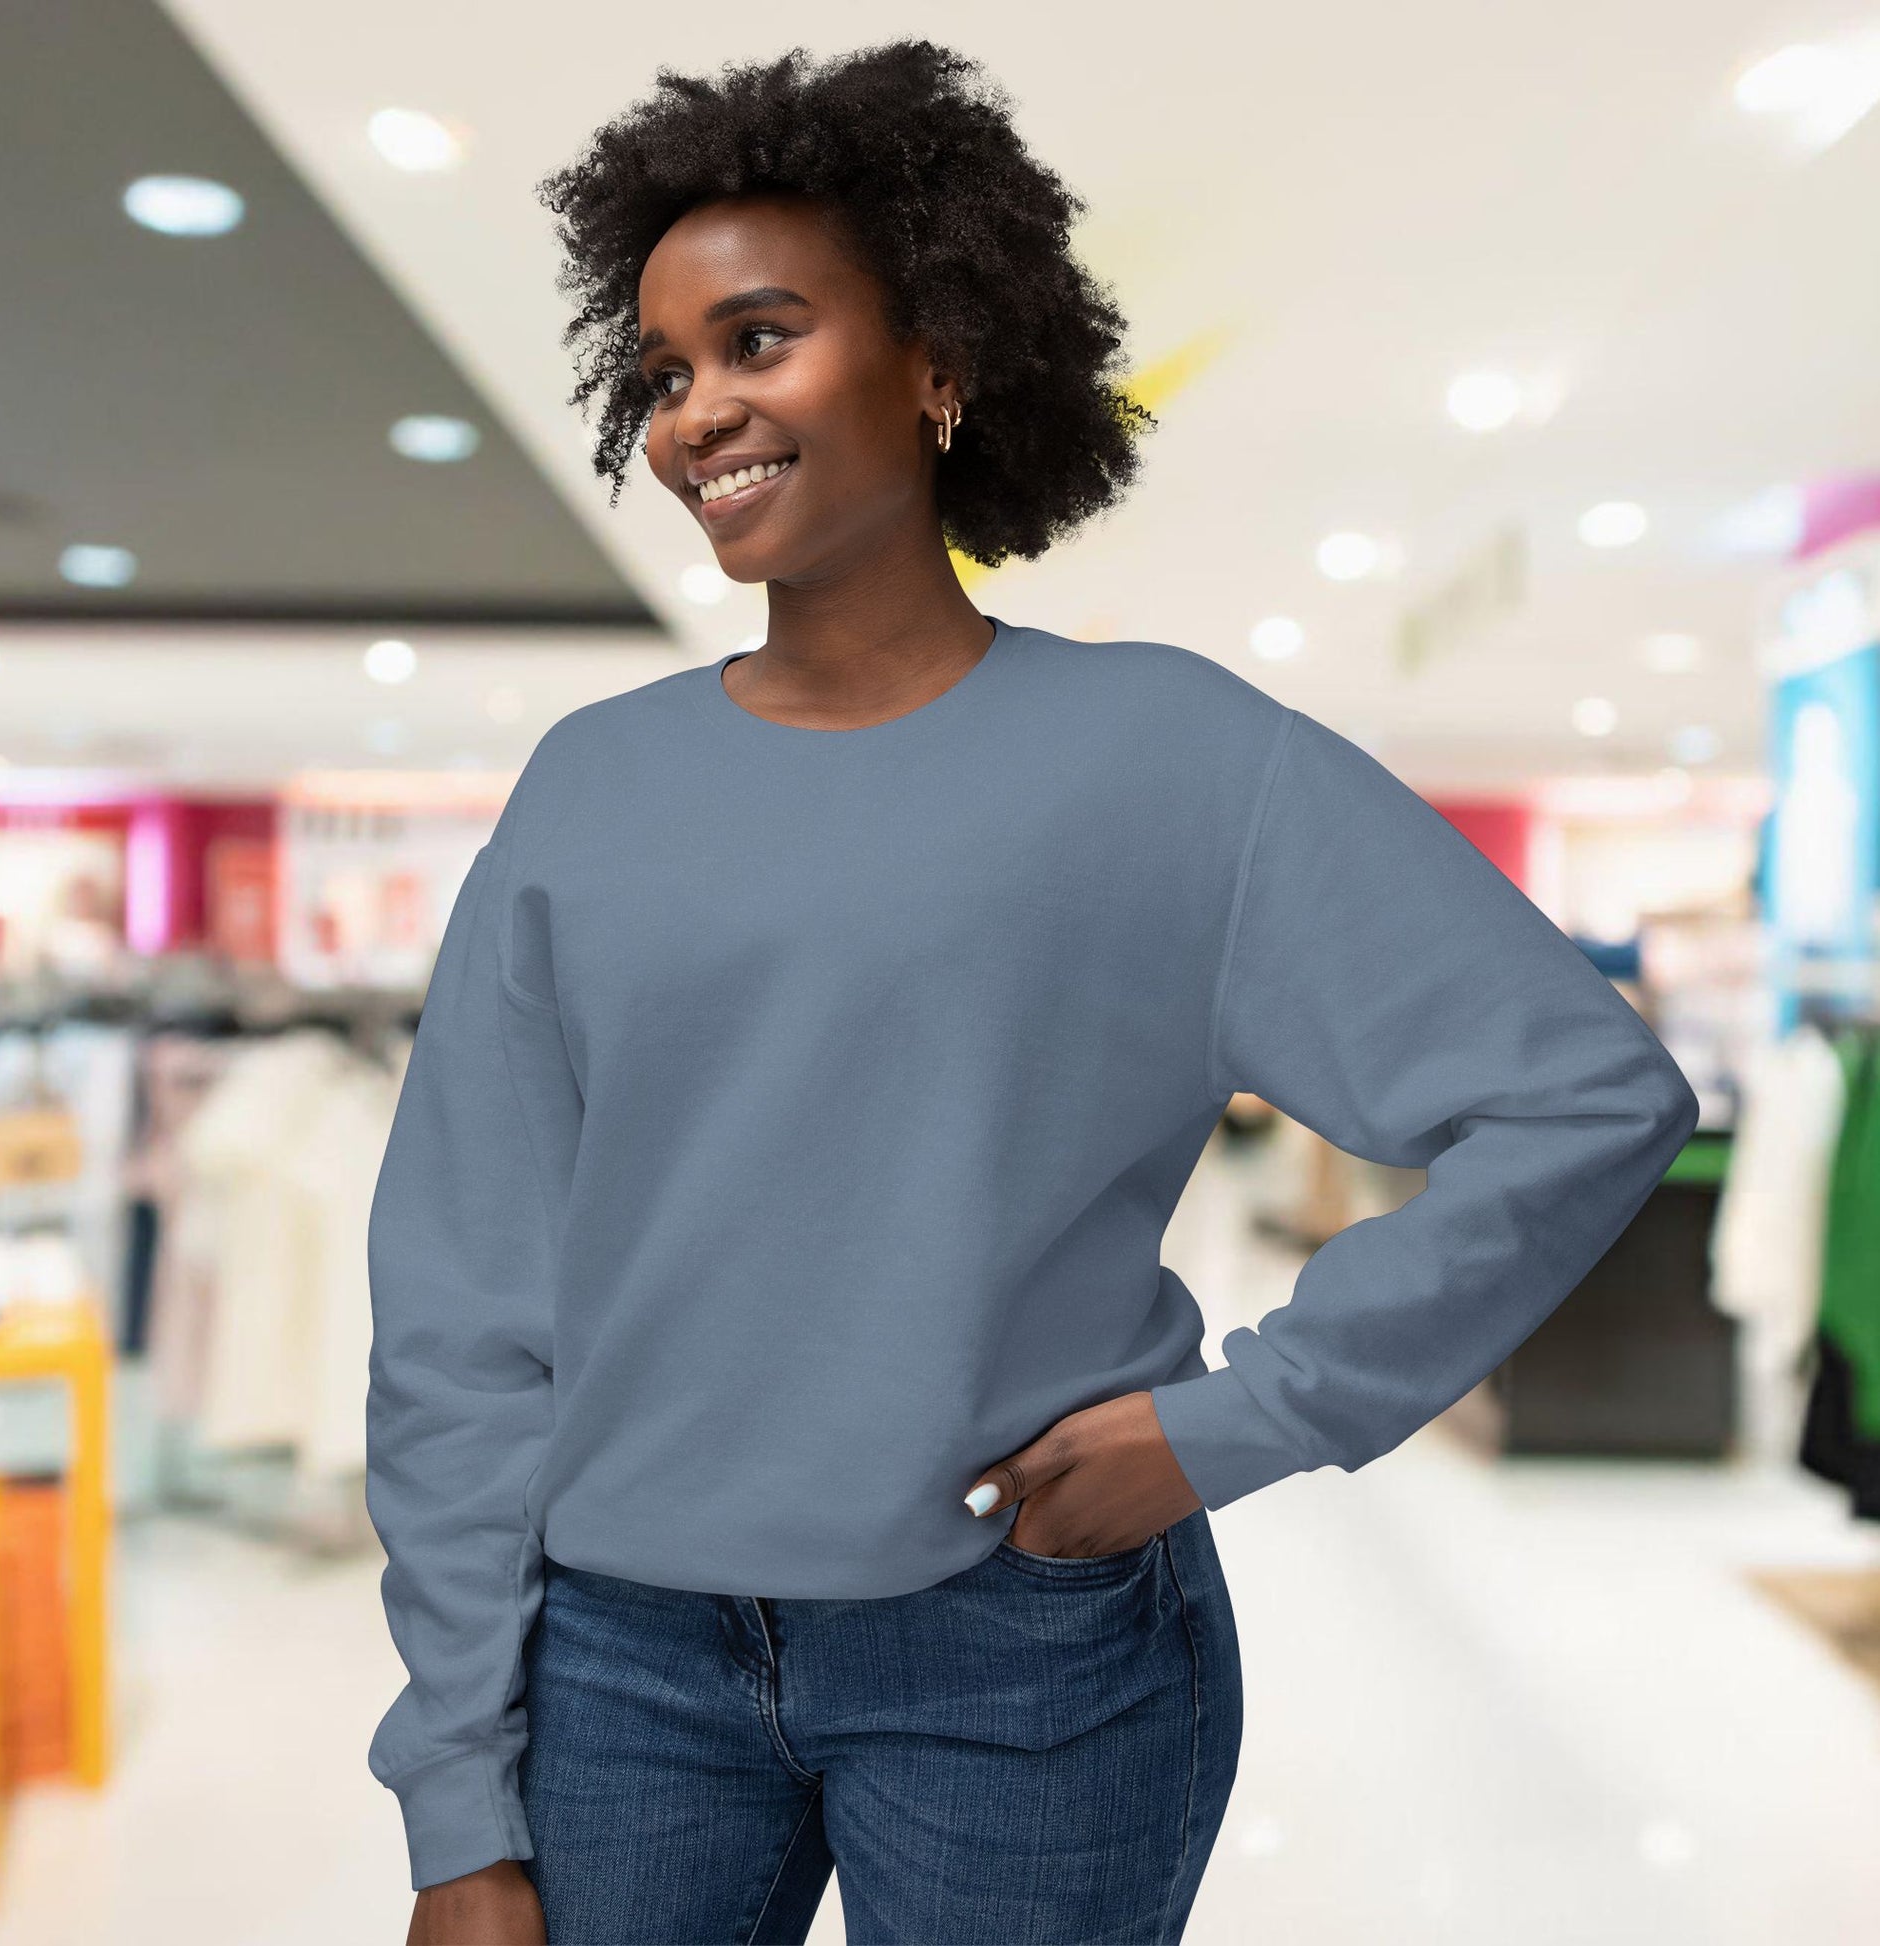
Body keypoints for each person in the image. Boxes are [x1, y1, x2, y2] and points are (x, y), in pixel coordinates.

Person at [365, 40, 1700, 1946]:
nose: (694, 413)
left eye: (757, 340)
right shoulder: (590, 785)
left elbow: (1582, 1094)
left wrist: (1246, 1417)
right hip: (620, 1661)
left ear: (938, 360)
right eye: (659, 373)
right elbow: (460, 1301)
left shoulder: (1172, 758)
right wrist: (454, 1792)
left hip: (1026, 1651)